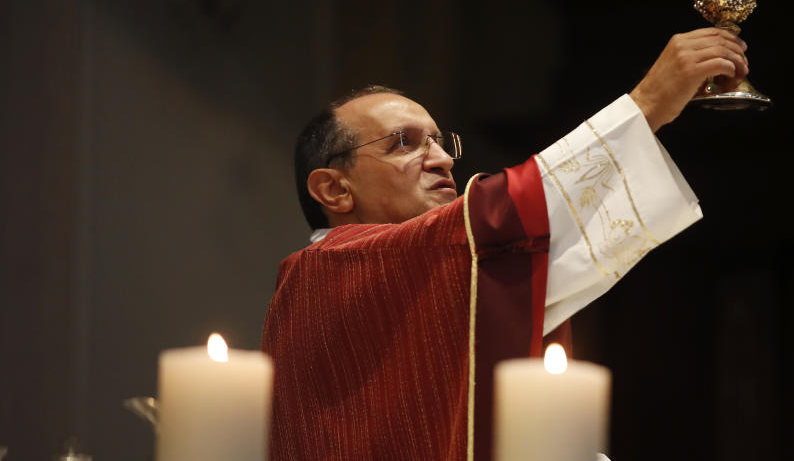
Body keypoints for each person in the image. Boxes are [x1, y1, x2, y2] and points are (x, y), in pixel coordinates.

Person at [261, 28, 749, 461]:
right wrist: (646, 104)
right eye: (403, 144)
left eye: (438, 142)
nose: (441, 160)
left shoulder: (441, 271)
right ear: (334, 190)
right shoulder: (324, 273)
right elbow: (492, 221)